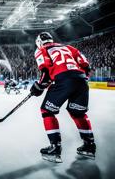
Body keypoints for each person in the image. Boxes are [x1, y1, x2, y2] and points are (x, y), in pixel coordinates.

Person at [30, 32, 96, 163]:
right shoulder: (69, 48)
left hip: (63, 80)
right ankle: (89, 146)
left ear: (38, 42)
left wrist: (38, 86)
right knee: (78, 113)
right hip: (81, 80)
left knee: (47, 111)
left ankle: (55, 148)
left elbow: (46, 73)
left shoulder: (41, 50)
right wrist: (78, 79)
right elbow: (86, 67)